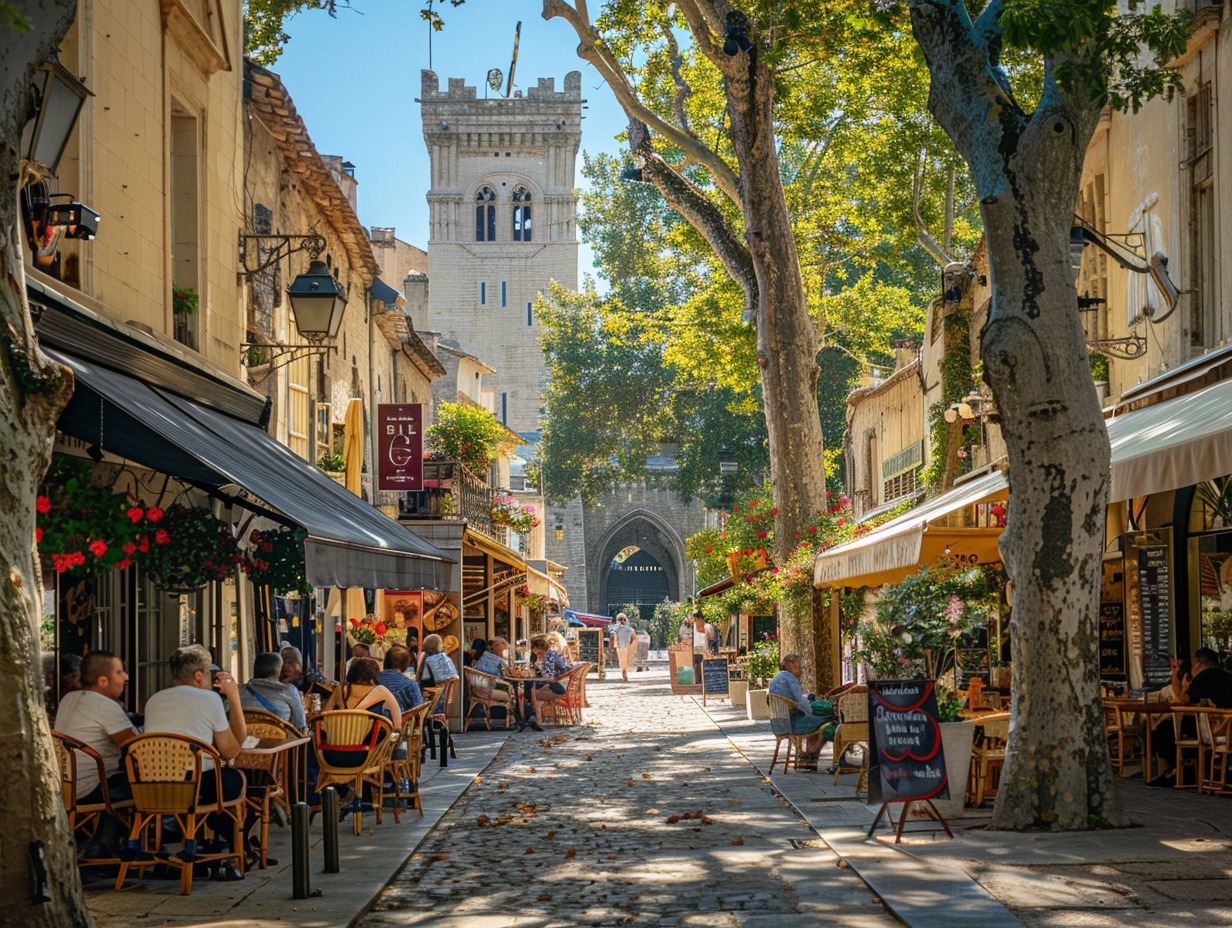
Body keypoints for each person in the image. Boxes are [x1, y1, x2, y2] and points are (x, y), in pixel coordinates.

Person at [143, 646, 248, 870]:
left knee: (217, 769)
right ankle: (238, 846)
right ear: (199, 676)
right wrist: (234, 697)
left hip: (153, 786)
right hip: (196, 783)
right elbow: (231, 751)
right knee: (234, 774)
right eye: (210, 674)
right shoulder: (208, 699)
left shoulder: (153, 700)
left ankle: (203, 841)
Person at [54, 650, 138, 804]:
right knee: (147, 786)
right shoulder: (104, 705)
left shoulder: (68, 699)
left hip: (64, 786)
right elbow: (136, 748)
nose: (126, 677)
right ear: (103, 682)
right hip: (92, 787)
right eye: (119, 672)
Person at [768, 653, 828, 770]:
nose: (800, 669)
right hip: (792, 723)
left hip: (780, 723)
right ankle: (809, 759)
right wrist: (810, 711)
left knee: (815, 721)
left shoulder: (778, 677)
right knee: (824, 721)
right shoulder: (789, 678)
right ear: (791, 664)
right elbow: (799, 700)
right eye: (798, 665)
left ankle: (806, 757)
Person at [240, 651, 307, 731]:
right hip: (282, 742)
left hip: (246, 740)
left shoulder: (240, 691)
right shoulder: (289, 690)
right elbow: (299, 724)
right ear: (278, 671)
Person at [378, 646, 424, 714]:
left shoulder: (373, 679)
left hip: (372, 722)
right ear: (406, 665)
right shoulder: (411, 685)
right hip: (401, 722)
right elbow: (419, 710)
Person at [610, 613, 637, 683]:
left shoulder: (616, 628)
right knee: (626, 660)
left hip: (619, 646)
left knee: (621, 660)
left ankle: (623, 673)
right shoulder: (629, 629)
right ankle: (625, 673)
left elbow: (613, 635)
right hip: (626, 646)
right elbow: (634, 638)